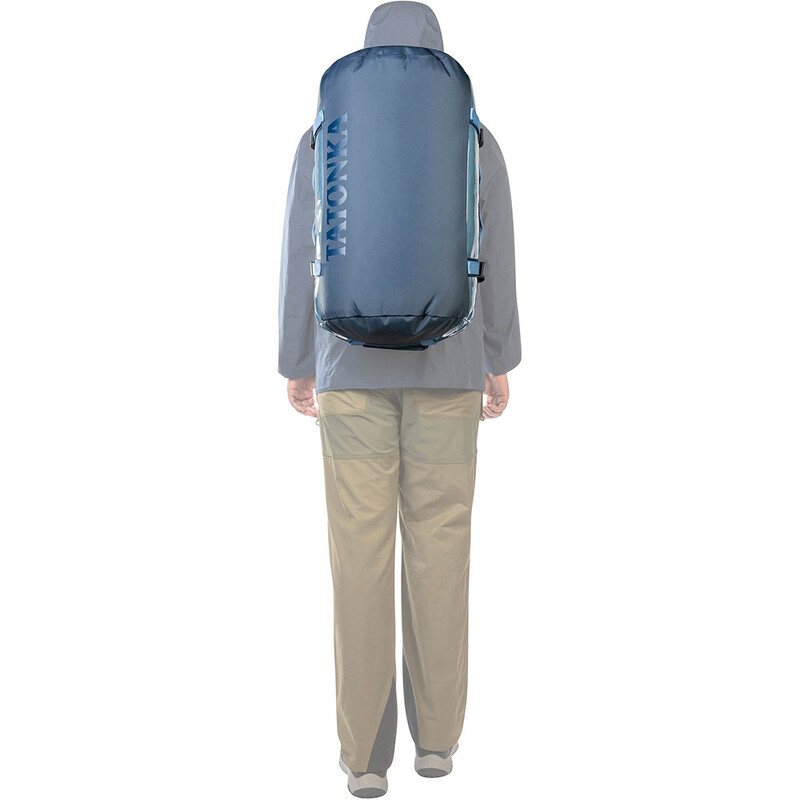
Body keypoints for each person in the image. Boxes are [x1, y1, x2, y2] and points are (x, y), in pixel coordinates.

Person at [278, 3, 521, 796]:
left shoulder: (325, 134)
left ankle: (363, 758)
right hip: (450, 373)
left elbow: (301, 248)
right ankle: (437, 744)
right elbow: (496, 251)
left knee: (358, 557)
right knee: (442, 550)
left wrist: (297, 361)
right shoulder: (473, 137)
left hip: (348, 374)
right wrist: (496, 360)